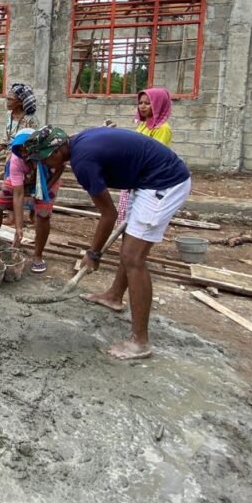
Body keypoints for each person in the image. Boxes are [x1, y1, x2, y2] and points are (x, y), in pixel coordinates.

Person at [22, 125, 192, 361]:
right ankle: (114, 296)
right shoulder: (78, 143)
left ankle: (140, 342)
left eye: (45, 158)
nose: (46, 164)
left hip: (163, 182)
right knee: (128, 244)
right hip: (145, 180)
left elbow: (108, 214)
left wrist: (93, 254)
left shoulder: (83, 161)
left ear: (58, 149)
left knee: (134, 258)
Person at [0, 130, 60, 274]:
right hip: (23, 178)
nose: (23, 154)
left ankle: (38, 256)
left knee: (43, 215)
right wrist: (19, 227)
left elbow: (61, 167)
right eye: (20, 151)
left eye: (26, 150)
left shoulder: (48, 152)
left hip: (47, 178)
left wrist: (45, 189)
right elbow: (18, 194)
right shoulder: (16, 160)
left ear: (34, 147)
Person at [117, 87, 174, 222]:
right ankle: (125, 235)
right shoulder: (143, 125)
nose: (142, 106)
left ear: (158, 105)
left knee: (140, 213)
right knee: (127, 212)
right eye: (140, 103)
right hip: (135, 173)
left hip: (148, 177)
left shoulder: (162, 128)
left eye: (147, 103)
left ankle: (133, 238)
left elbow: (154, 155)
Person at [0, 82, 38, 164]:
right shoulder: (9, 115)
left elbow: (34, 141)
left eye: (11, 99)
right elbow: (6, 140)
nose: (8, 102)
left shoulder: (30, 119)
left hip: (24, 158)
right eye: (7, 99)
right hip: (10, 157)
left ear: (20, 102)